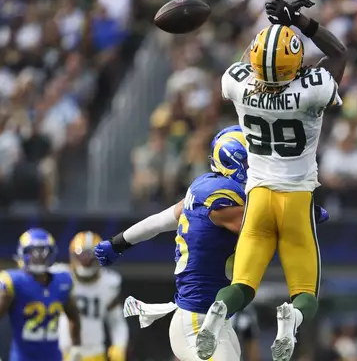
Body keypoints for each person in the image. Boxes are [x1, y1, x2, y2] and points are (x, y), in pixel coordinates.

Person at [94, 126, 330, 361]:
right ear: (236, 162)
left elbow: (158, 222)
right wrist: (300, 212)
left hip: (214, 320)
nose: (262, 170)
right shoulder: (223, 199)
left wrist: (118, 243)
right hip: (197, 320)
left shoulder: (203, 189)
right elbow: (262, 226)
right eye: (254, 163)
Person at [196, 0, 346, 361]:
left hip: (258, 197)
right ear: (295, 61)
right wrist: (299, 23)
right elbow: (338, 53)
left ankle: (215, 316)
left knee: (242, 286)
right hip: (295, 200)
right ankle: (289, 319)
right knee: (305, 294)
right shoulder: (311, 90)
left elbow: (250, 59)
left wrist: (273, 34)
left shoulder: (236, 83)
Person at [0, 228, 83, 361]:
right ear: (22, 253)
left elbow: (74, 315)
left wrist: (76, 347)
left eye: (43, 252)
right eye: (33, 252)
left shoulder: (62, 282)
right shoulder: (15, 282)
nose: (39, 257)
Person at [54, 231, 129, 361]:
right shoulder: (61, 276)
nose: (86, 261)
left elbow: (116, 321)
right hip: (62, 351)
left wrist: (119, 345)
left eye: (90, 256)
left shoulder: (109, 282)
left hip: (95, 353)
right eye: (82, 255)